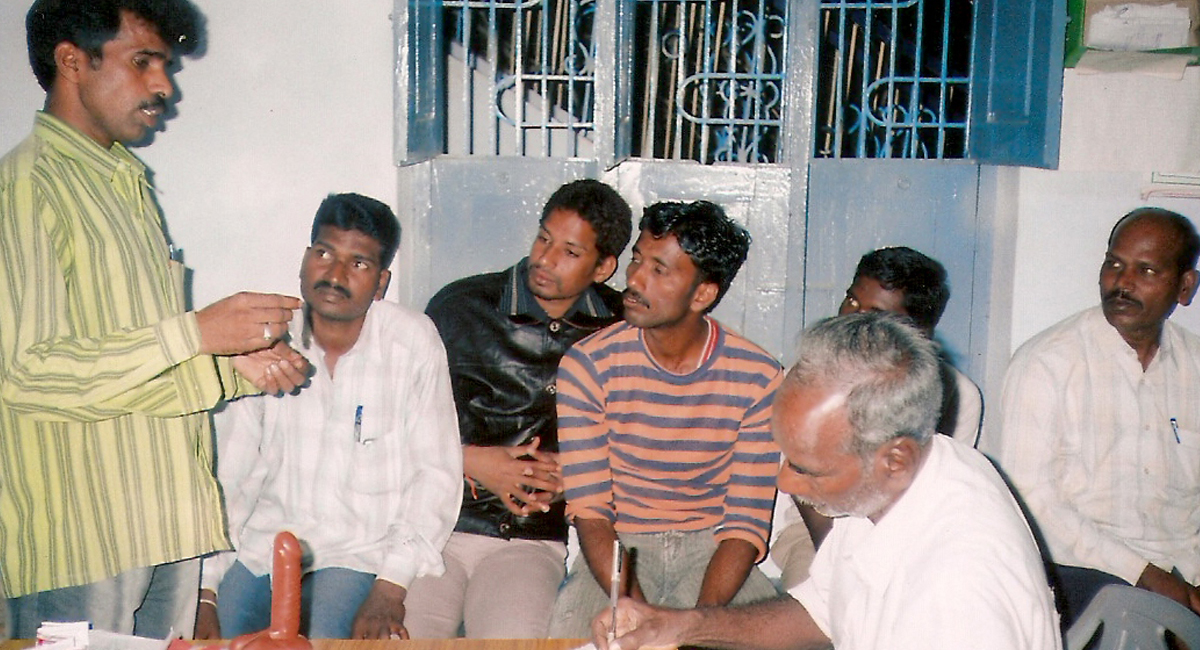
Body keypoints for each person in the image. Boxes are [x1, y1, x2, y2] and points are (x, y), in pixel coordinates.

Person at [0, 0, 309, 638]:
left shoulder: (126, 186)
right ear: (72, 62)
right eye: (143, 62)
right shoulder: (26, 188)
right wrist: (198, 332)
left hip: (165, 522)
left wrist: (231, 369)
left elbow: (129, 364)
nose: (164, 86)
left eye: (164, 65)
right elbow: (28, 373)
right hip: (80, 538)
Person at [593, 313, 1062, 650]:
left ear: (894, 459)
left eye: (806, 469)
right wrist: (678, 626)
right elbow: (821, 610)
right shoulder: (902, 477)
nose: (784, 481)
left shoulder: (956, 596)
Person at [195, 194, 463, 640]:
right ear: (304, 261)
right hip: (263, 549)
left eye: (358, 263)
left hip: (357, 555)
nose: (335, 275)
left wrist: (391, 586)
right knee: (224, 640)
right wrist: (205, 592)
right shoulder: (264, 342)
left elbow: (435, 474)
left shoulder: (411, 342)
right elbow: (230, 476)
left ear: (381, 282)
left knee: (323, 640)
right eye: (324, 253)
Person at [405, 180, 632, 638]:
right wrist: (469, 460)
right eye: (544, 239)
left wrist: (580, 478)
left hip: (529, 540)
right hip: (437, 524)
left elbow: (645, 436)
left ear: (604, 267)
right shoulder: (460, 308)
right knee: (404, 639)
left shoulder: (623, 328)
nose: (545, 259)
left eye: (570, 252)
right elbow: (395, 421)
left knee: (514, 640)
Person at [549, 200, 783, 638]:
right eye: (637, 259)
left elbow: (745, 525)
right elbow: (591, 511)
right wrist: (633, 612)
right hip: (620, 547)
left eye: (659, 270)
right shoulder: (589, 365)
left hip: (712, 550)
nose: (634, 279)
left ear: (702, 294)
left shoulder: (758, 377)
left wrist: (698, 625)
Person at [983, 207, 1200, 625]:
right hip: (1080, 577)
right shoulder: (1046, 364)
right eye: (1114, 264)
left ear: (1185, 286)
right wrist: (1145, 575)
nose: (1123, 282)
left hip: (1181, 573)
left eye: (1146, 270)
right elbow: (1031, 501)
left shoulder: (1195, 366)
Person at [772, 245, 983, 589]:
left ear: (917, 332)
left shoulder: (959, 395)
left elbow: (929, 493)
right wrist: (838, 564)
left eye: (874, 314)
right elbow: (805, 485)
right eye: (851, 300)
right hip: (816, 527)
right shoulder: (809, 377)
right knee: (817, 599)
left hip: (905, 531)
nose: (850, 319)